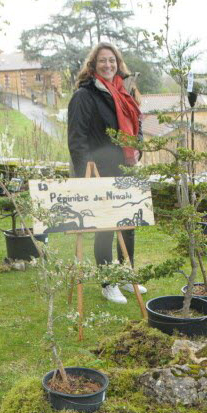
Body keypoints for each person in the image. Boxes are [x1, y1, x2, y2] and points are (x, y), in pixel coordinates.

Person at [67, 42, 146, 304]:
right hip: (100, 173)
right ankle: (108, 282)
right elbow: (77, 140)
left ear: (118, 63)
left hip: (126, 168)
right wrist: (86, 177)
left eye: (112, 60)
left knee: (128, 224)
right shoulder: (84, 96)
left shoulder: (125, 92)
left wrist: (138, 149)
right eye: (102, 61)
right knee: (105, 229)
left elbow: (137, 124)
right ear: (93, 65)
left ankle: (125, 274)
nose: (108, 65)